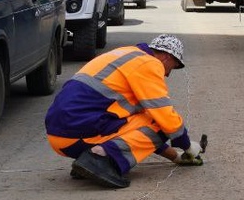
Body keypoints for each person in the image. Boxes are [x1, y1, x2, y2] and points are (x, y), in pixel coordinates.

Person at [45, 34, 203, 188]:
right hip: (79, 131)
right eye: (172, 67)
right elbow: (164, 117)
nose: (167, 74)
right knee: (159, 121)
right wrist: (187, 146)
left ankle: (88, 161)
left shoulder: (127, 54)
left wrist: (176, 157)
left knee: (146, 118)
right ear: (166, 57)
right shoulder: (148, 63)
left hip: (61, 137)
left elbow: (139, 134)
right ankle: (98, 157)